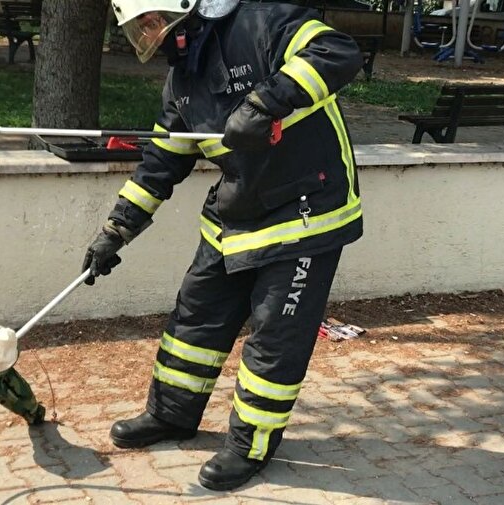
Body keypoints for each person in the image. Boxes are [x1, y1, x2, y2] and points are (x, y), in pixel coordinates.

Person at [82, 0, 364, 491]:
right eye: (138, 30)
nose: (149, 37)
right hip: (233, 216)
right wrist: (116, 230)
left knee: (274, 339)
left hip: (304, 213)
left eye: (151, 23)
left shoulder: (261, 23)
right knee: (194, 317)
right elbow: (160, 162)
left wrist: (265, 102)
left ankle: (248, 445)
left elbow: (337, 51)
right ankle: (171, 415)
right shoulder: (181, 81)